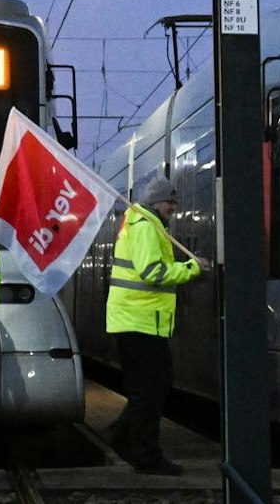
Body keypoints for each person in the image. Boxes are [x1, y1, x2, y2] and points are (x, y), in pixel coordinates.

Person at [106, 175, 208, 476]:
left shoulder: (146, 225)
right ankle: (146, 456)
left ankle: (123, 436)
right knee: (149, 391)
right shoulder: (145, 227)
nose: (174, 207)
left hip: (142, 321)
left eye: (174, 202)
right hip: (138, 322)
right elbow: (152, 272)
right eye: (170, 202)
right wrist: (192, 268)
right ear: (156, 201)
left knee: (156, 385)